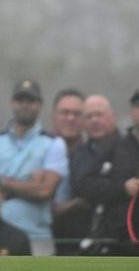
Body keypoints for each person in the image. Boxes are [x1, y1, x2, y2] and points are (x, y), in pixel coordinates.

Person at [0, 79, 68, 255]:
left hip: (37, 237)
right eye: (20, 100)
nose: (25, 105)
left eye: (30, 101)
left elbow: (45, 191)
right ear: (12, 103)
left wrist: (0, 181)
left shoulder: (54, 144)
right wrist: (29, 184)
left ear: (39, 105)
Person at [74, 86, 139, 255]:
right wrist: (123, 188)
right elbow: (86, 184)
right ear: (131, 112)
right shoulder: (114, 146)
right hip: (116, 239)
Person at [69, 94, 120, 255]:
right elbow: (79, 186)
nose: (94, 120)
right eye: (89, 116)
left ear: (113, 117)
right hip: (81, 235)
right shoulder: (79, 154)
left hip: (117, 236)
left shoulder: (127, 149)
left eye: (99, 115)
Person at [49, 88, 86, 255]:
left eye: (77, 113)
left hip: (82, 241)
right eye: (65, 112)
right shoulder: (39, 148)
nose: (70, 118)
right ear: (54, 116)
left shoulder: (96, 153)